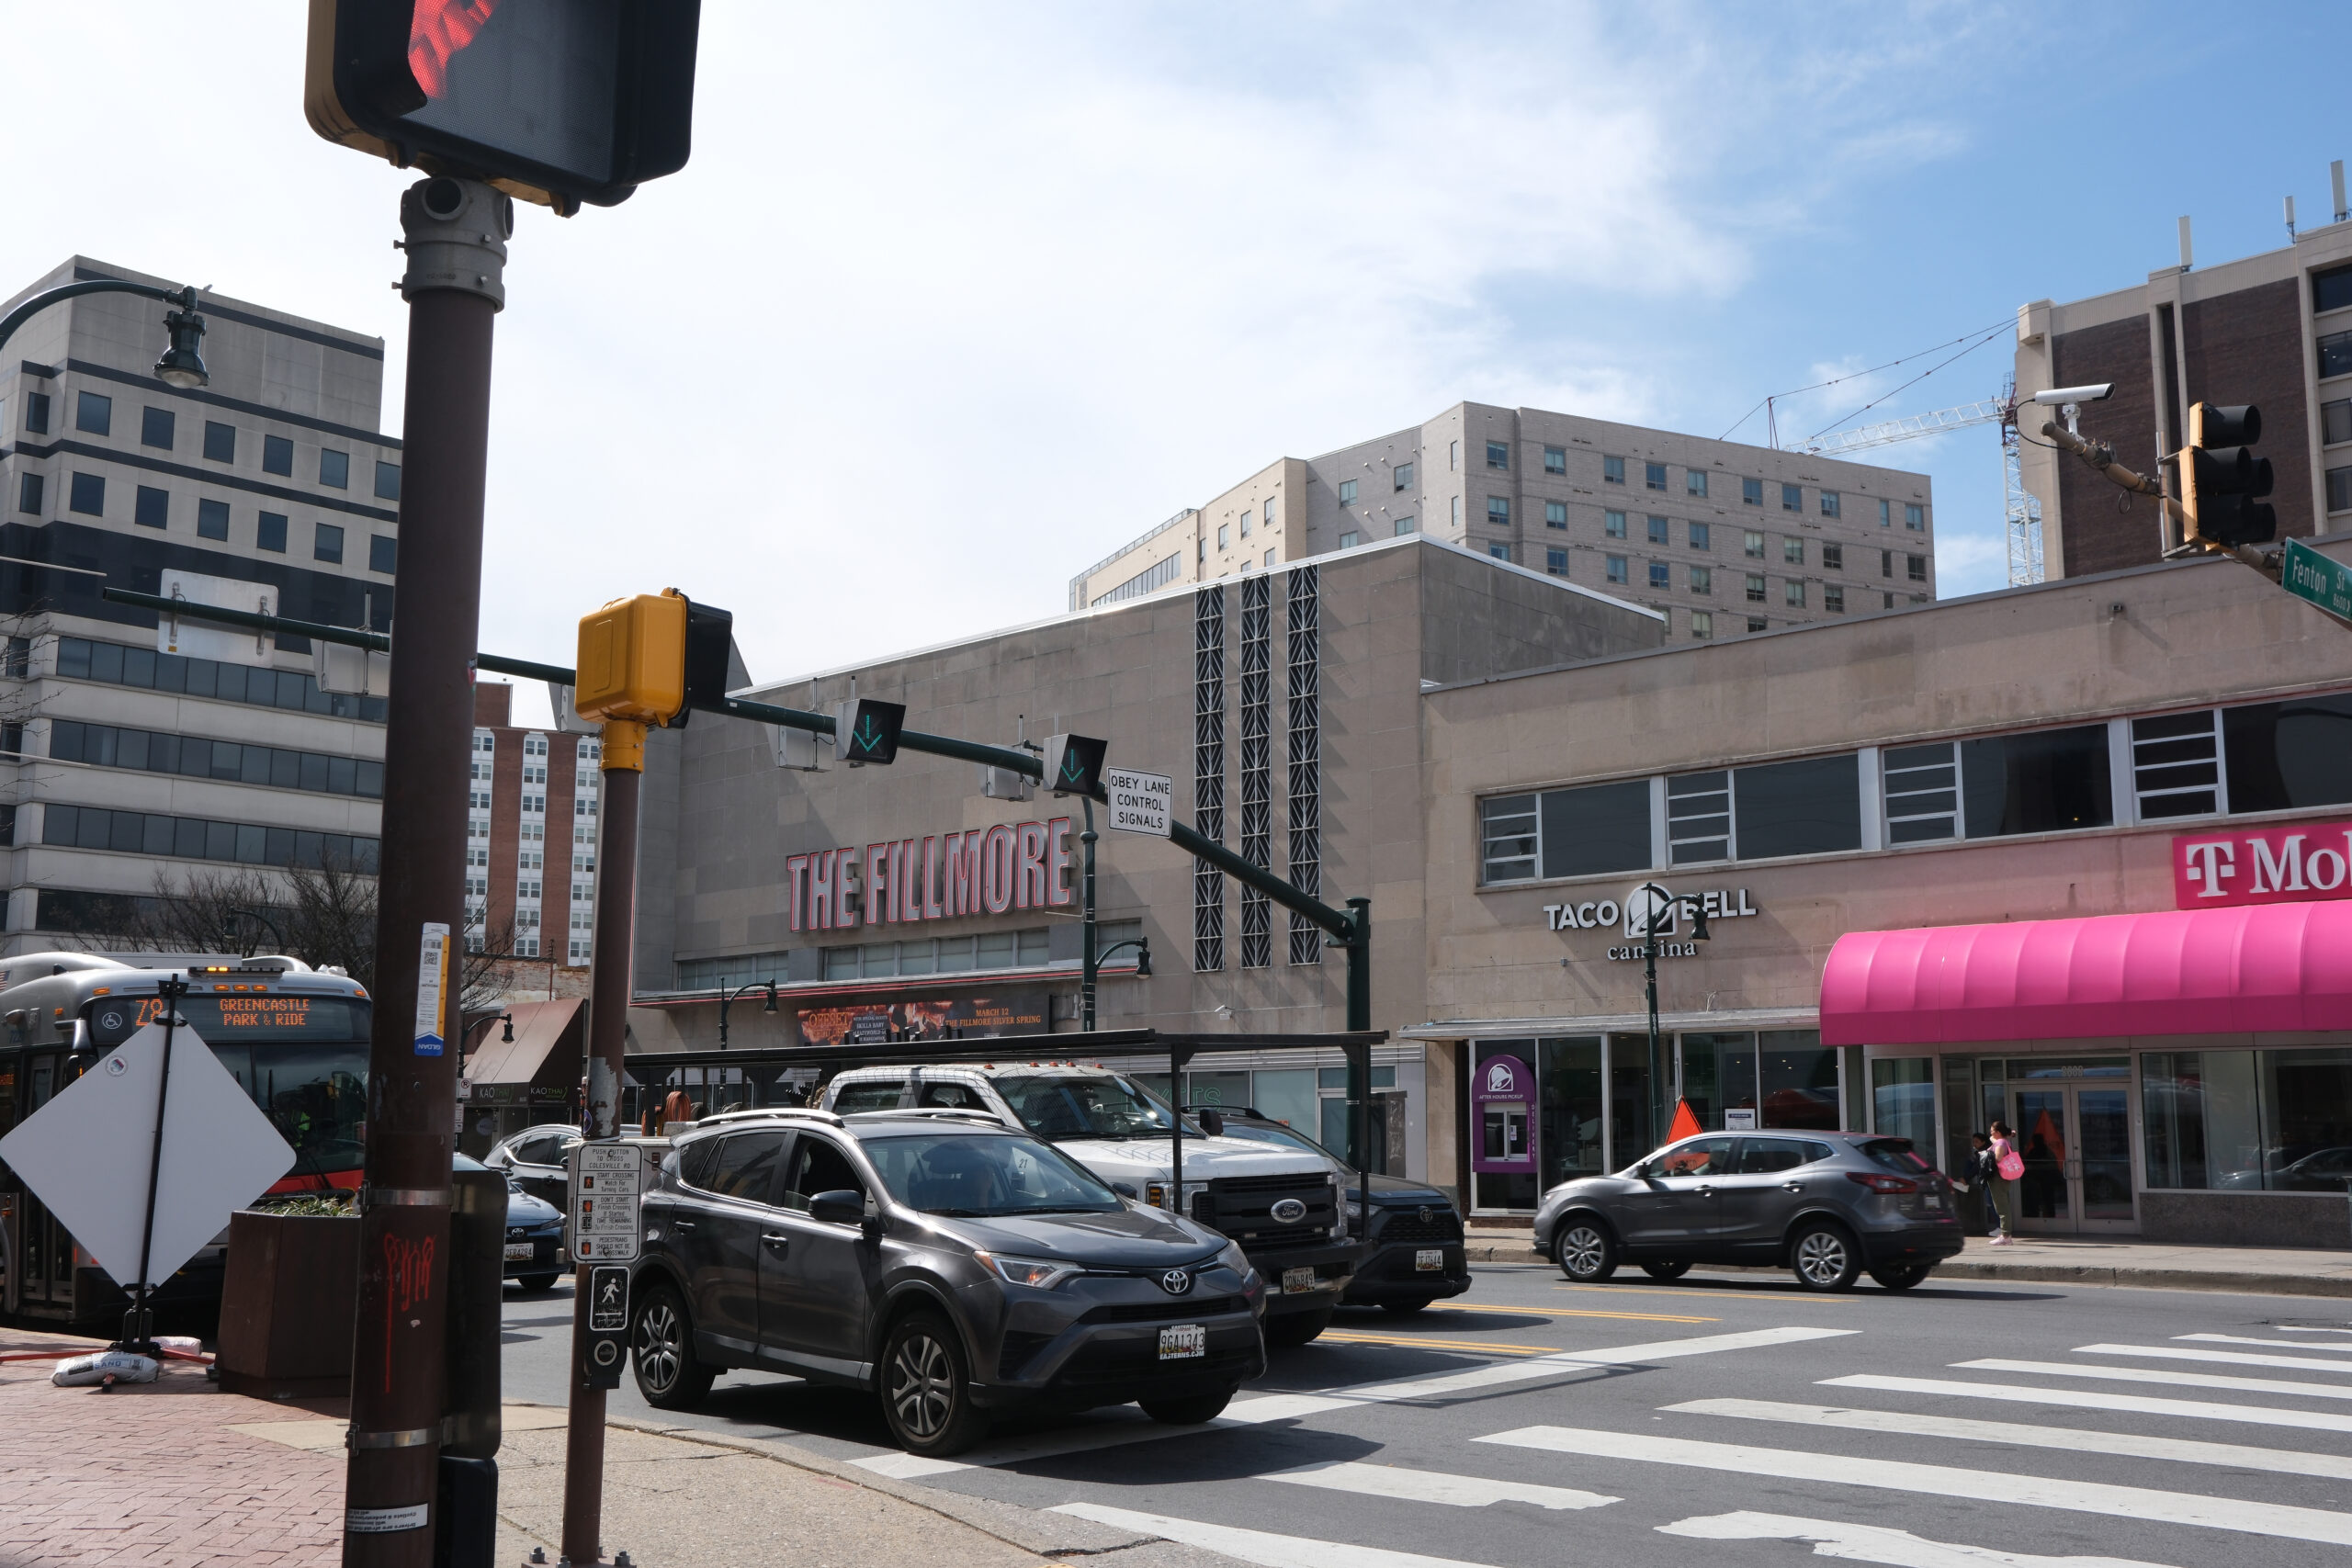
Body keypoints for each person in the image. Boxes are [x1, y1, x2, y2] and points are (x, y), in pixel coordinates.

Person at [1986, 1120, 2021, 1246]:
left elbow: (1998, 1158)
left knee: (2002, 1207)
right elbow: (1992, 1139)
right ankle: (2005, 1234)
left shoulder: (2001, 1143)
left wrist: (1986, 1155)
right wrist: (2010, 1133)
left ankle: (2006, 1236)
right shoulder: (2002, 1141)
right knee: (2003, 1205)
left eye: (1992, 1131)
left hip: (1998, 1178)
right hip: (2002, 1178)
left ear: (1998, 1132)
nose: (1990, 1133)